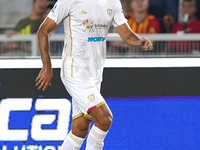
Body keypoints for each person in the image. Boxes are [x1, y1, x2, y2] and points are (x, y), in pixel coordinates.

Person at [35, 0, 153, 149]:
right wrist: (47, 66)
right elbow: (43, 30)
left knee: (80, 128)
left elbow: (126, 34)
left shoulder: (113, 2)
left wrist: (140, 42)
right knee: (105, 119)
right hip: (75, 71)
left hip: (95, 73)